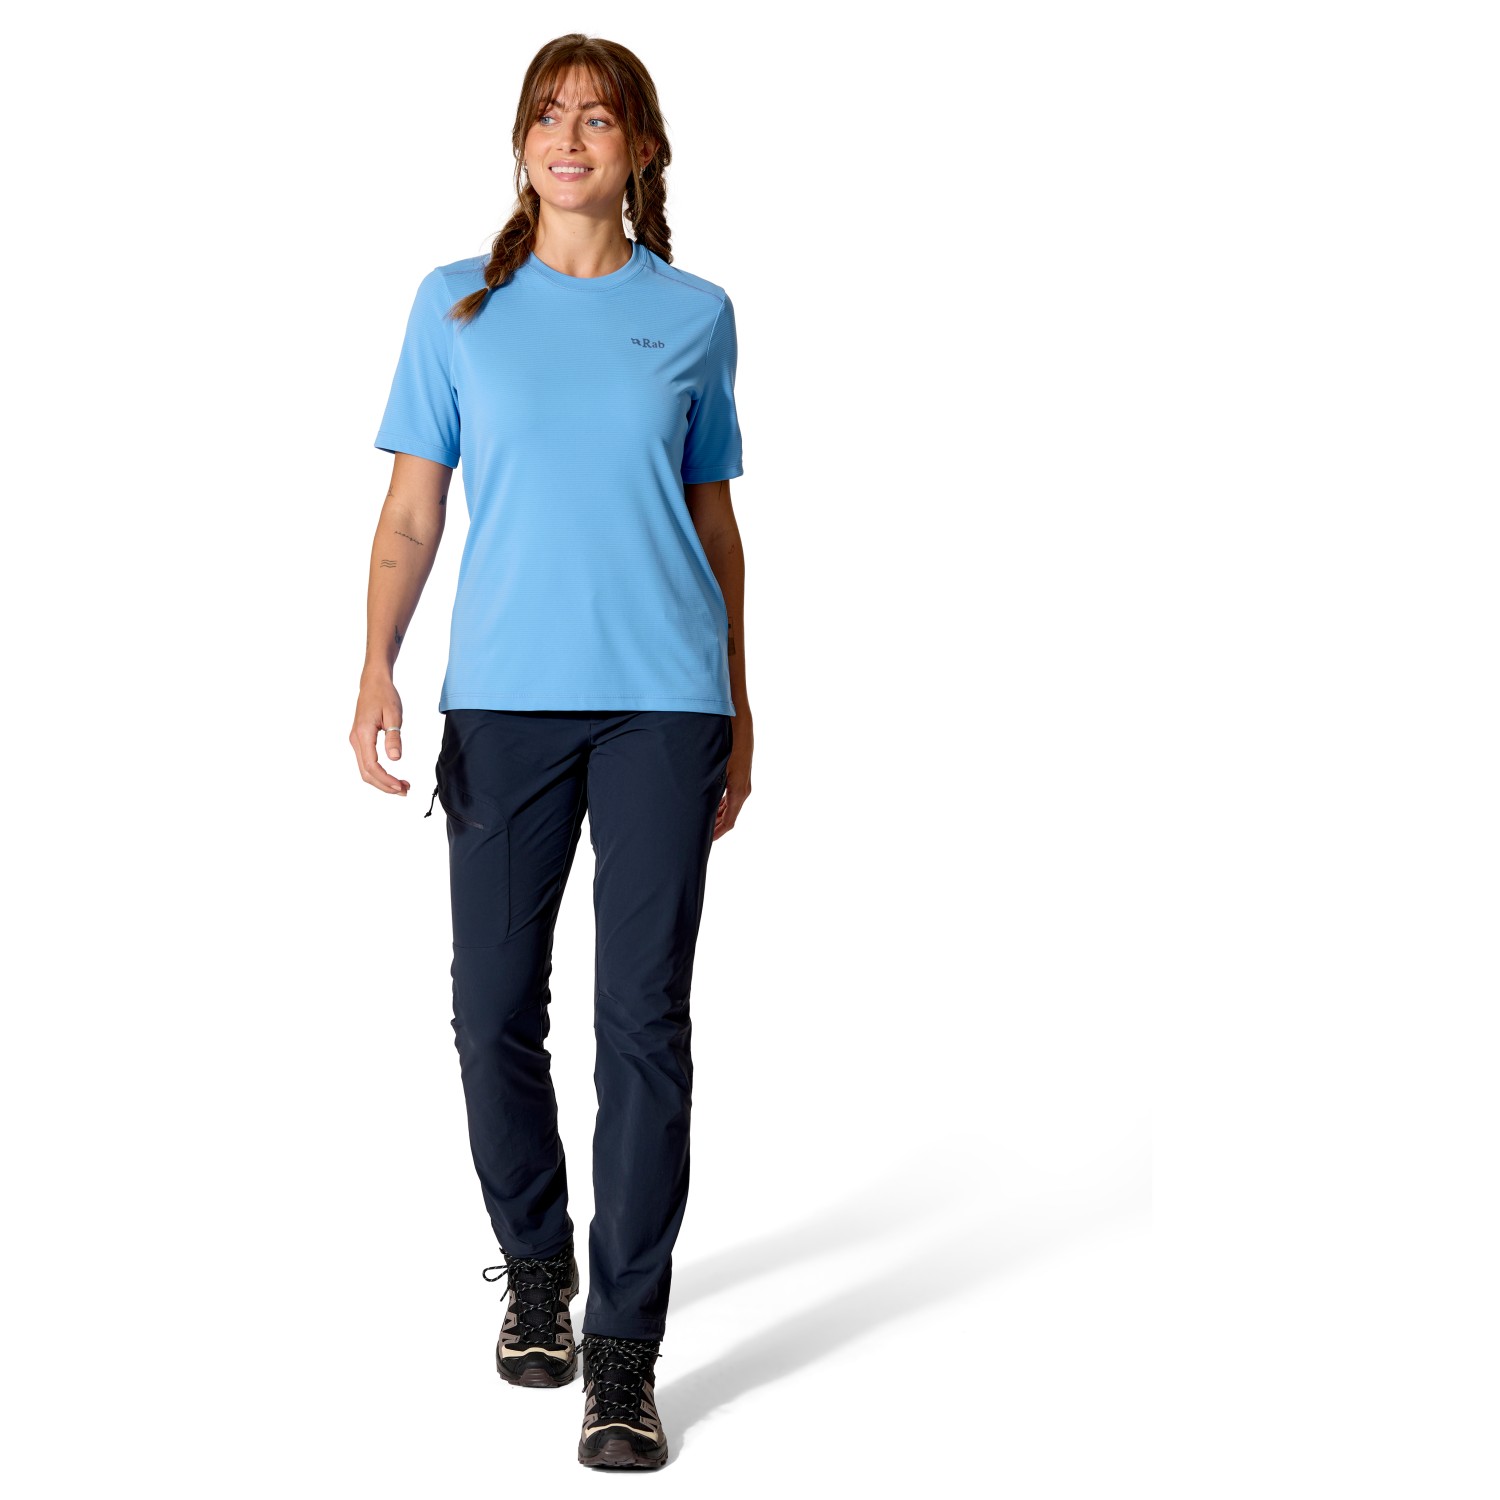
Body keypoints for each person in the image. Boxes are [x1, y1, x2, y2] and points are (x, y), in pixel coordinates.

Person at [348, 33, 752, 1472]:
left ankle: (624, 1355)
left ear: (642, 148)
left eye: (598, 117)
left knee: (645, 1026)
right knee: (491, 1011)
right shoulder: (457, 306)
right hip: (506, 704)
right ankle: (537, 1269)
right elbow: (413, 512)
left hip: (663, 702)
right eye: (546, 115)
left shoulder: (695, 314)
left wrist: (742, 701)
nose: (568, 138)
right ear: (521, 143)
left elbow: (713, 522)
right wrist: (377, 663)